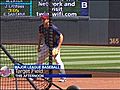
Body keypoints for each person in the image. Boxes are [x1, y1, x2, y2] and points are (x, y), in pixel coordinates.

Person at [37, 13, 66, 82]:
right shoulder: (41, 27)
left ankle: (63, 76)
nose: (43, 20)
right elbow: (40, 36)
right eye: (42, 19)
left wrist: (58, 48)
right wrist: (39, 46)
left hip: (55, 46)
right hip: (46, 45)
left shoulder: (53, 28)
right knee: (40, 60)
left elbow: (61, 36)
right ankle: (35, 75)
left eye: (44, 19)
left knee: (58, 61)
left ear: (48, 19)